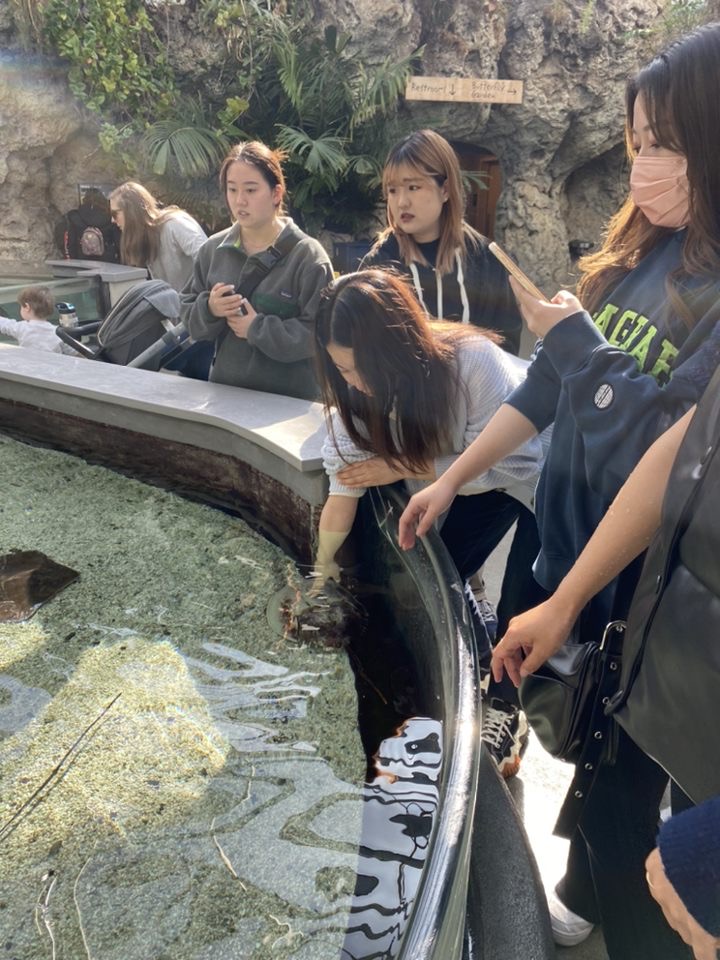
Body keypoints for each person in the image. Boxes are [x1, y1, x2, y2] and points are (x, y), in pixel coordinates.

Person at [397, 22, 720, 960]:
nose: (642, 167)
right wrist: (454, 479)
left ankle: (620, 910)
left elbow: (674, 451)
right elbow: (545, 391)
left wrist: (579, 343)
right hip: (561, 546)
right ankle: (579, 885)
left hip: (636, 594)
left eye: (662, 142)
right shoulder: (642, 253)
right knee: (566, 727)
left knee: (624, 774)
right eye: (634, 145)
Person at [492, 400, 720, 960]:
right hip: (669, 655)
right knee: (610, 812)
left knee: (687, 894)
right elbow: (691, 439)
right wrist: (567, 600)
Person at [312, 268, 546, 776]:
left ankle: (506, 708)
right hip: (469, 478)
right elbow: (343, 489)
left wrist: (407, 466)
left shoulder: (471, 364)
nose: (355, 384)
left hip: (542, 472)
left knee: (523, 600)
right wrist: (321, 569)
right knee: (434, 575)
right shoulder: (352, 401)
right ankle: (477, 655)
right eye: (341, 371)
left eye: (361, 369)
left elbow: (518, 461)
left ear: (398, 348)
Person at [181, 141, 334, 400]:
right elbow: (187, 314)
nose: (240, 200)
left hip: (290, 409)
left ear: (276, 194)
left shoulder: (308, 257)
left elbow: (322, 335)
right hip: (226, 400)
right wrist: (210, 308)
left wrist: (257, 328)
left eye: (251, 190)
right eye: (232, 190)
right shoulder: (213, 250)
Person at [361, 128, 523, 355]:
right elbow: (369, 348)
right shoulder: (379, 265)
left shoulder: (488, 262)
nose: (401, 202)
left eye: (413, 187)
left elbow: (506, 350)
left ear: (445, 189)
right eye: (393, 190)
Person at [109, 181, 207, 293]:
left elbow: (210, 258)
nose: (112, 220)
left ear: (131, 211)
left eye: (114, 214)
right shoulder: (146, 238)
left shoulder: (174, 225)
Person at [0, 286, 77, 356]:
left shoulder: (22, 328)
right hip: (53, 370)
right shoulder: (58, 333)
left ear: (27, 307)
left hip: (28, 369)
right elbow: (77, 351)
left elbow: (4, 324)